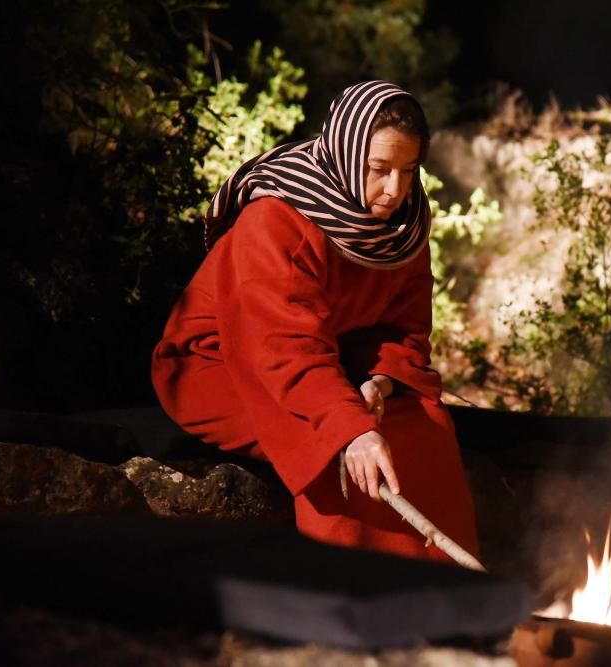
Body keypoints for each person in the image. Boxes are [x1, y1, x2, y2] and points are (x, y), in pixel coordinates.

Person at [151, 80, 479, 564]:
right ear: (346, 156)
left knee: (424, 425)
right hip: (229, 363)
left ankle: (452, 601)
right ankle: (355, 601)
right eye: (378, 170)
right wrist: (349, 427)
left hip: (334, 367)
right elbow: (281, 347)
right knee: (326, 446)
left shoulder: (402, 225)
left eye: (408, 171)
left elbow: (405, 329)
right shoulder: (277, 218)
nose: (395, 190)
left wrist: (381, 384)